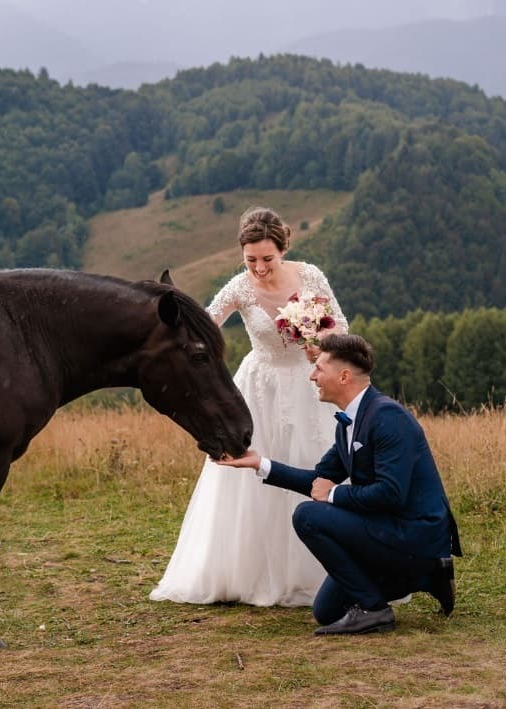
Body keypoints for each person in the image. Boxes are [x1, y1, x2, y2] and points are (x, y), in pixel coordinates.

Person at [149, 206, 348, 606]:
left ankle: (319, 570)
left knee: (313, 463)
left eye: (267, 259)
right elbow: (203, 323)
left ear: (283, 249)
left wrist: (319, 344)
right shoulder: (239, 287)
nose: (258, 267)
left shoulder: (309, 276)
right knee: (250, 477)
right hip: (259, 387)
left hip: (308, 386)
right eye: (250, 259)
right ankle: (244, 572)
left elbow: (341, 327)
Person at [217, 333, 462, 634]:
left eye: (319, 368)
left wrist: (333, 494)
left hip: (414, 532)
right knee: (326, 611)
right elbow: (316, 481)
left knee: (307, 516)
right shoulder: (348, 422)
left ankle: (376, 609)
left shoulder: (388, 417)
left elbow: (391, 494)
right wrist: (260, 463)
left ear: (344, 376)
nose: (312, 376)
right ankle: (429, 576)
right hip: (384, 528)